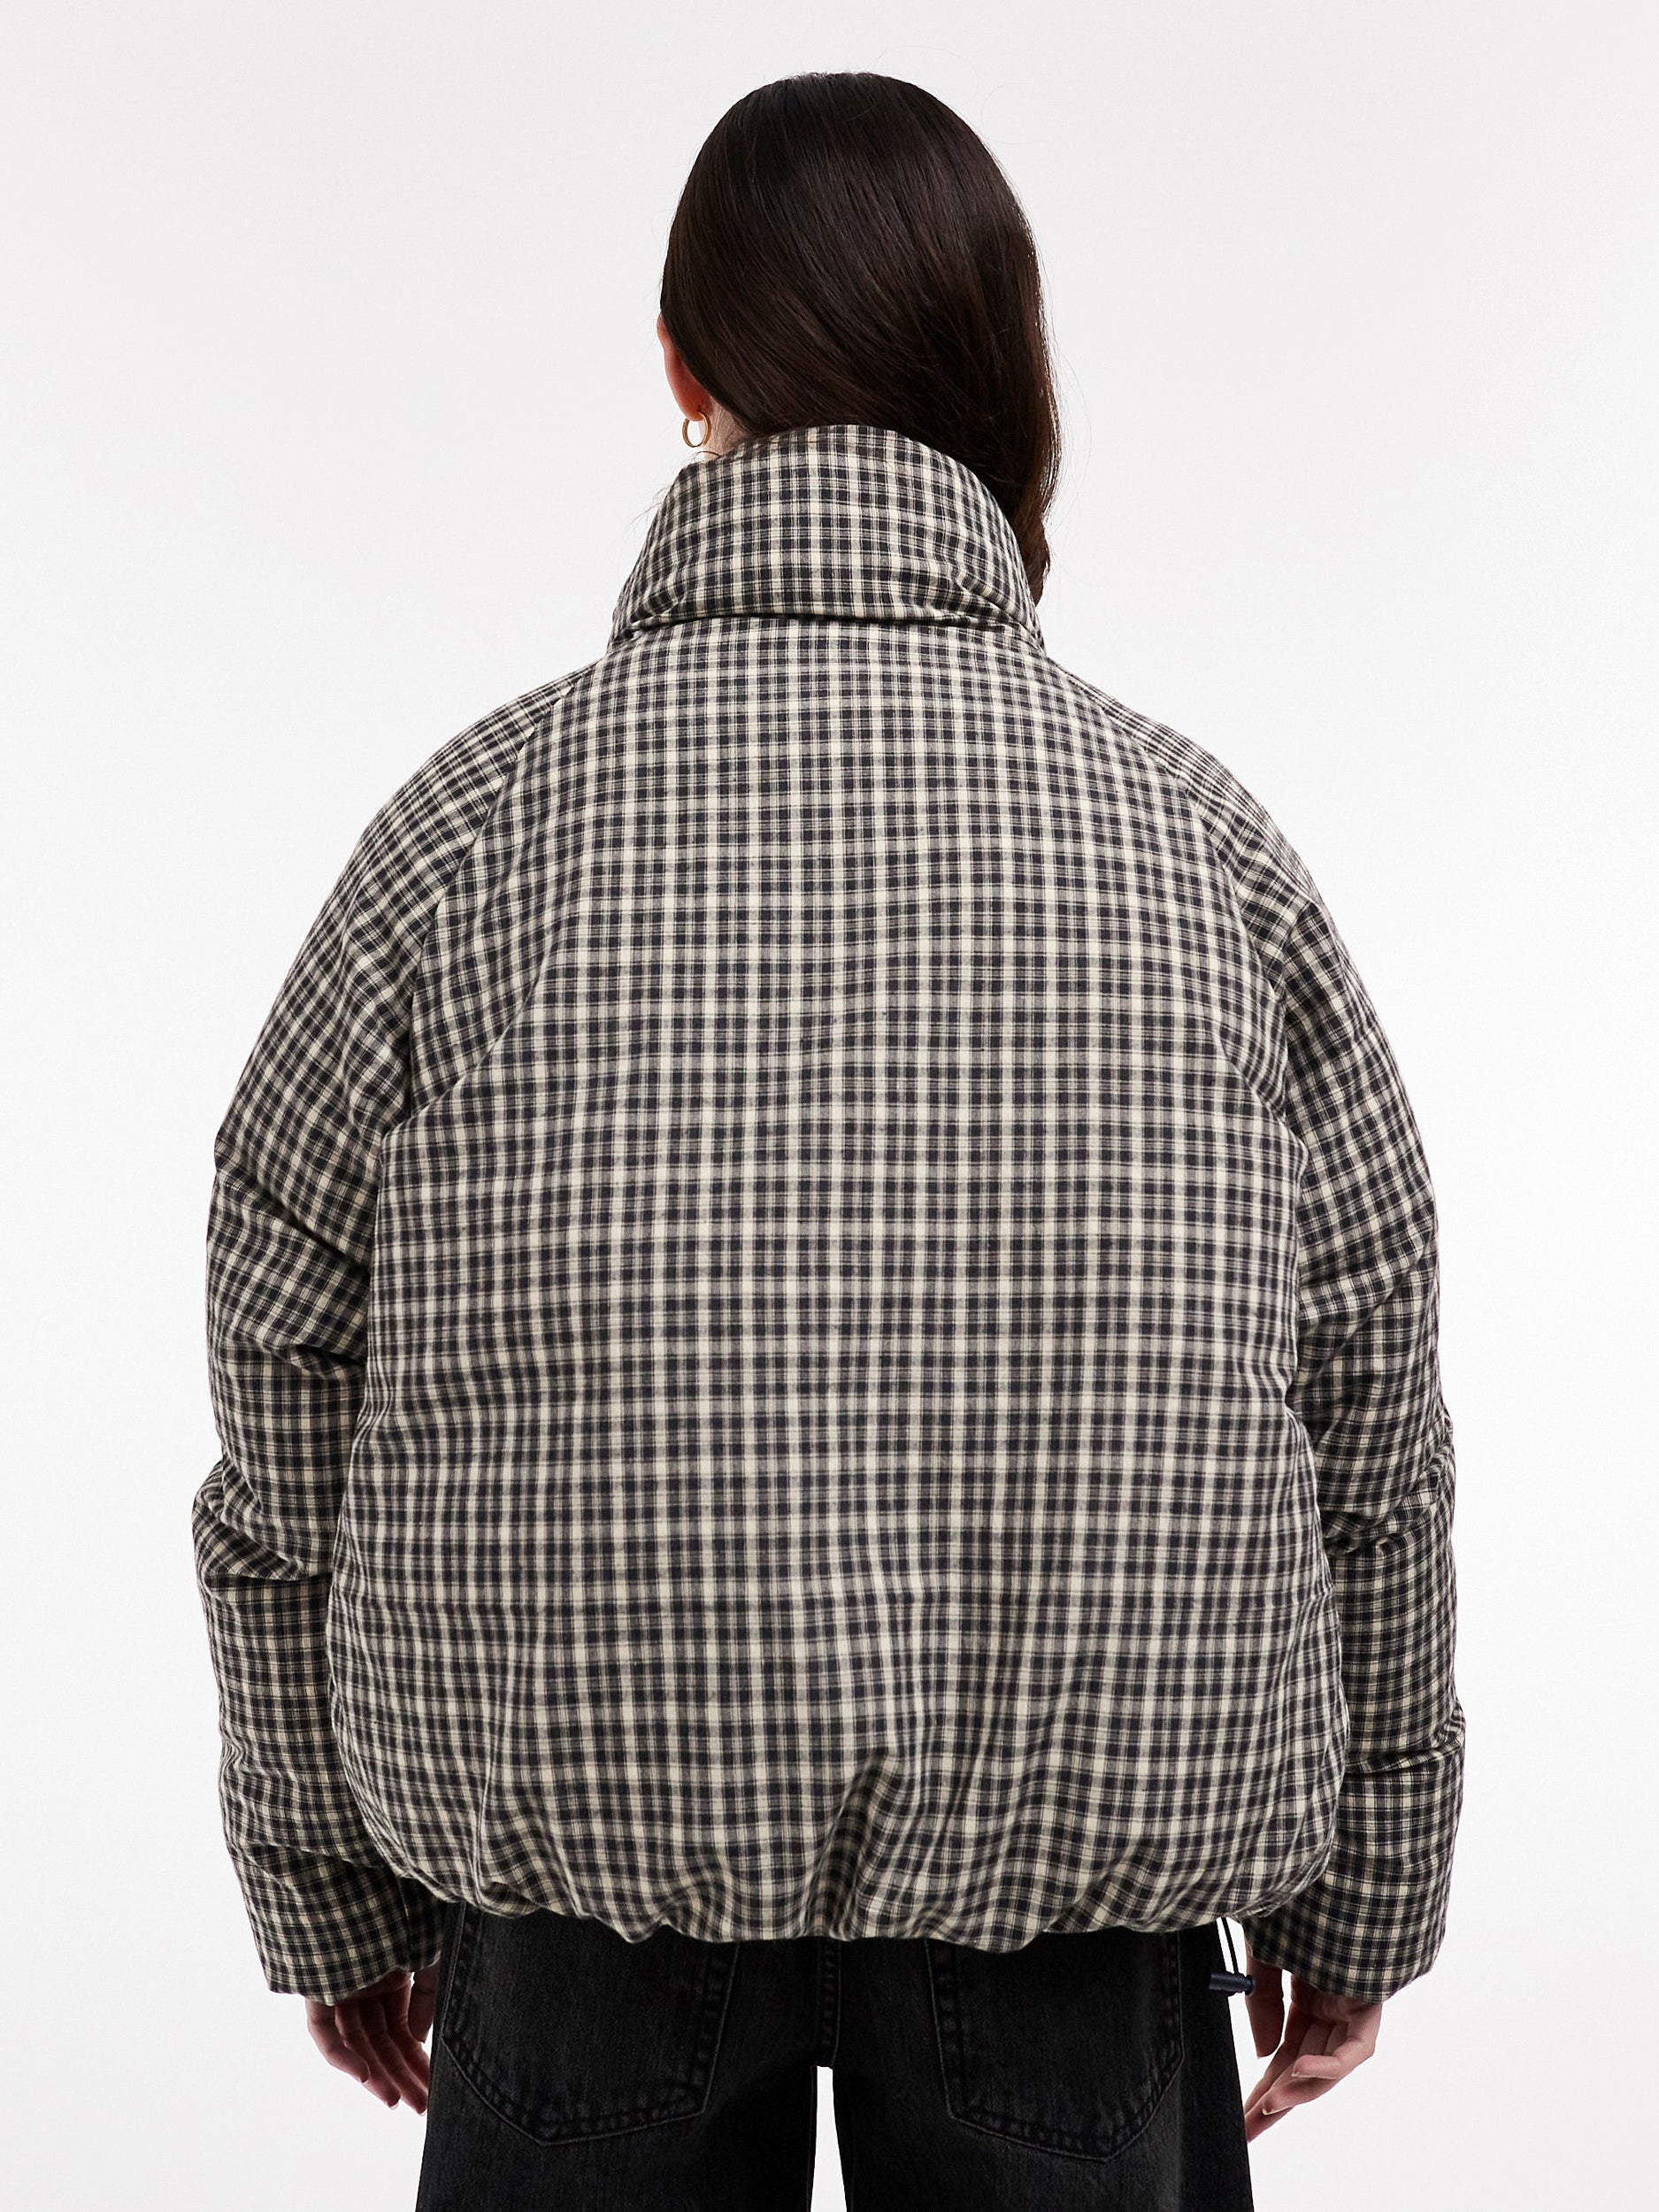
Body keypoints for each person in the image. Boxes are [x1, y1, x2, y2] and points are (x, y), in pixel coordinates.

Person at [192, 72, 1464, 2212]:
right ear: (1004, 381)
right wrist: (1364, 1891)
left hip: (576, 1913)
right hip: (1072, 1923)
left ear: (681, 371)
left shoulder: (463, 836)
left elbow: (278, 1358)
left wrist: (323, 1879)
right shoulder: (1204, 853)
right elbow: (1369, 1409)